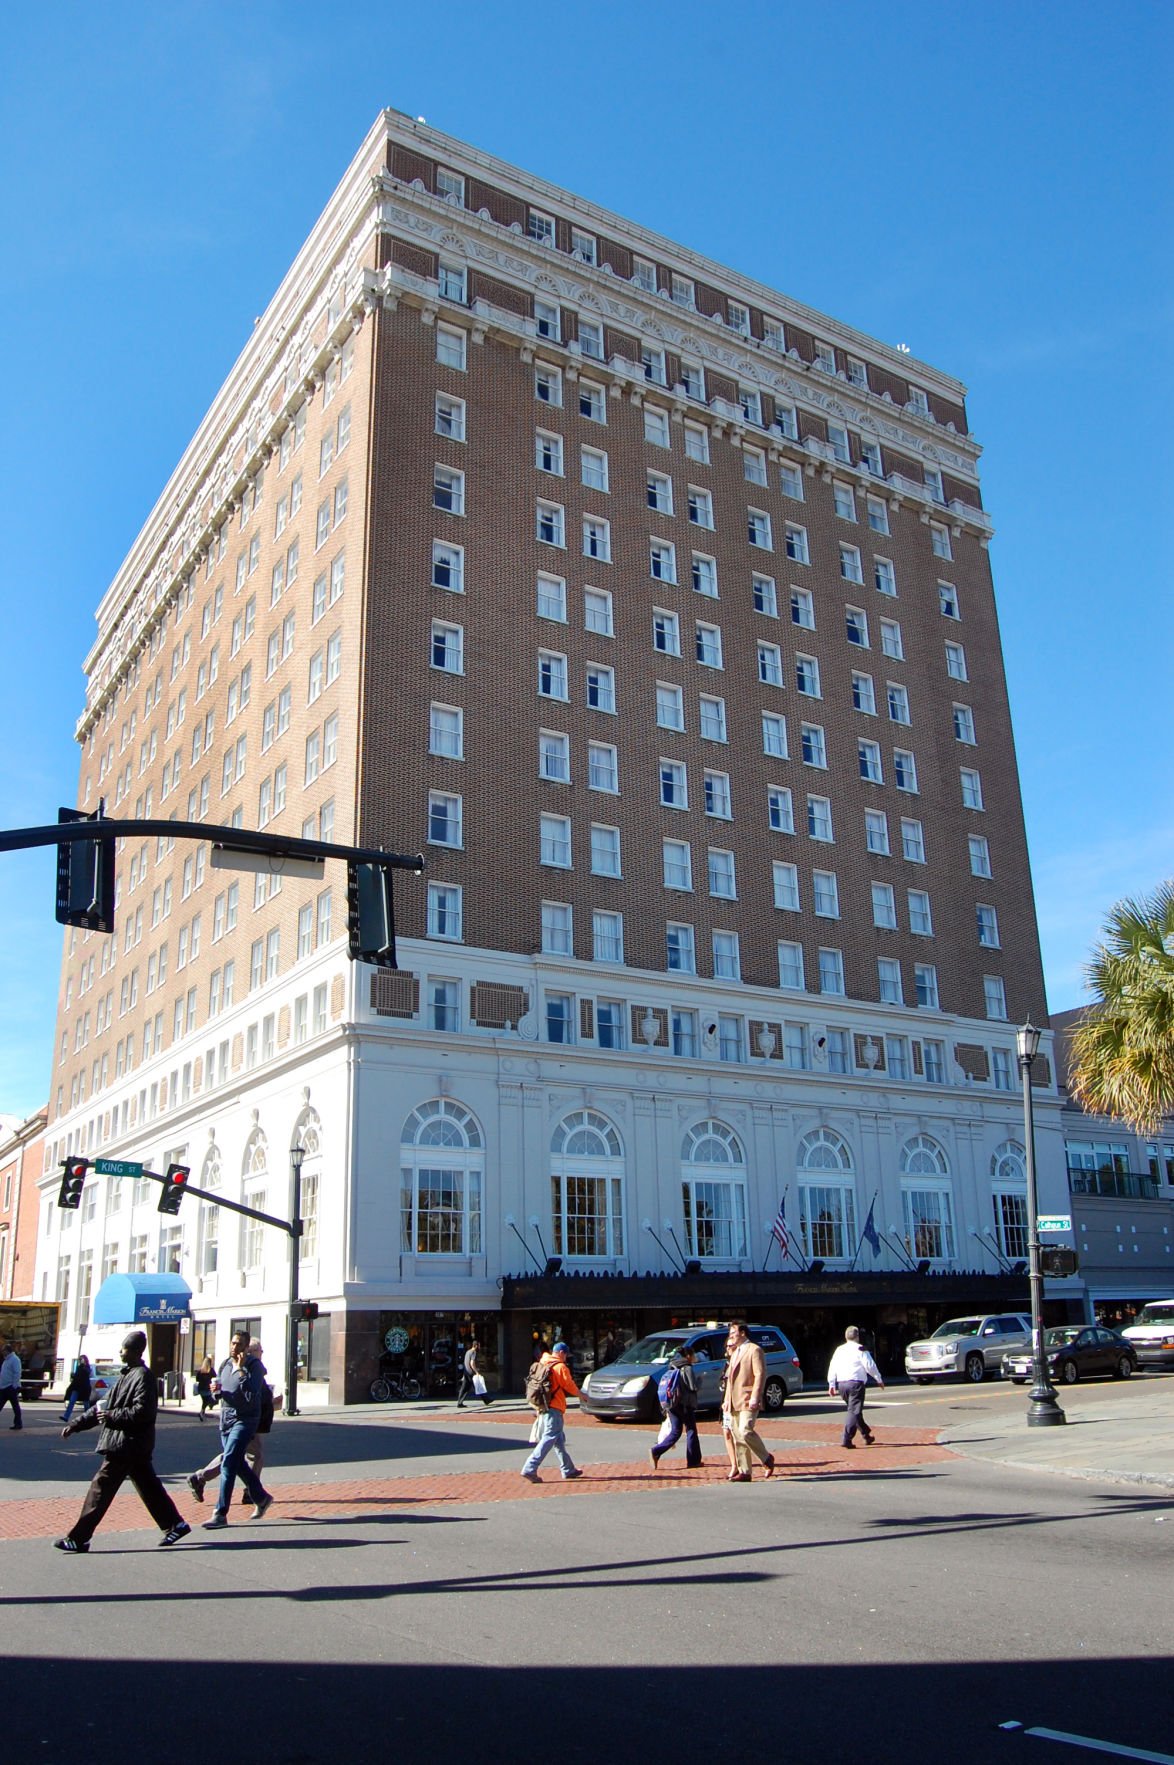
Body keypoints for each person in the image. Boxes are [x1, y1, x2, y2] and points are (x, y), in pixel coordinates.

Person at [53, 1330, 190, 1552]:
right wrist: (76, 1425)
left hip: (127, 1444)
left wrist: (112, 1417)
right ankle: (175, 1524)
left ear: (136, 1351)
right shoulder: (127, 1375)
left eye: (124, 1348)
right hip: (130, 1445)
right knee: (149, 1487)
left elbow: (142, 1412)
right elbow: (102, 1408)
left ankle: (79, 1538)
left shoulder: (143, 1377)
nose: (120, 1352)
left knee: (100, 1488)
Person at [201, 1329, 274, 1530]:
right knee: (237, 1462)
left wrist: (241, 1370)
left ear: (246, 1347)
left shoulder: (254, 1366)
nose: (235, 1347)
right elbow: (222, 1392)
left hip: (245, 1419)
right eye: (233, 1343)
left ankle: (220, 1512)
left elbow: (252, 1393)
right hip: (226, 1418)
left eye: (240, 1344)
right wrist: (216, 1393)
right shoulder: (224, 1364)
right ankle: (261, 1497)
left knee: (229, 1462)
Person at [520, 1342, 583, 1483]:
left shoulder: (543, 1361)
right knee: (549, 1438)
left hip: (544, 1406)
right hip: (554, 1408)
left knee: (559, 1440)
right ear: (561, 1353)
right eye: (566, 1354)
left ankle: (568, 1469)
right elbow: (569, 1386)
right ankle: (530, 1468)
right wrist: (582, 1395)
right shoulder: (560, 1367)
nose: (566, 1358)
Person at [724, 1321, 776, 1482]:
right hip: (734, 1400)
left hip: (747, 1398)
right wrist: (726, 1400)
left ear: (743, 1333)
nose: (731, 1337)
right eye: (730, 1334)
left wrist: (755, 1396)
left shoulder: (755, 1350)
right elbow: (730, 1380)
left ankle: (766, 1458)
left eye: (734, 1333)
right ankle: (745, 1471)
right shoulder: (735, 1352)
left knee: (746, 1430)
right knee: (738, 1435)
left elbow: (760, 1374)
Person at [827, 1325, 883, 1449]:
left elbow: (832, 1366)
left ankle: (866, 1434)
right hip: (856, 1384)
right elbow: (870, 1366)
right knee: (854, 1411)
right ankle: (846, 1438)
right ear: (857, 1336)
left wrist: (831, 1384)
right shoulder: (861, 1349)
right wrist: (878, 1379)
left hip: (842, 1384)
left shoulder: (839, 1349)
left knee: (854, 1410)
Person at [649, 1348, 702, 1471]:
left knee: (676, 1431)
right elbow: (693, 1387)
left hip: (672, 1403)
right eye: (694, 1354)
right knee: (691, 1430)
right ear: (688, 1356)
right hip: (685, 1404)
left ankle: (656, 1451)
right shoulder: (687, 1368)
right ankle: (694, 1460)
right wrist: (700, 1381)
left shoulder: (672, 1367)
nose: (695, 1357)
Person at [456, 1337, 490, 1408]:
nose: (480, 1347)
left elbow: (465, 1362)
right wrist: (476, 1372)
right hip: (471, 1373)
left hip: (466, 1372)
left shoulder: (468, 1352)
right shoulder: (473, 1352)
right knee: (478, 1386)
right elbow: (472, 1363)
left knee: (465, 1388)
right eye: (479, 1346)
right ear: (476, 1346)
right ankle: (486, 1400)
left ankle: (460, 1402)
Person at [61, 1355, 93, 1422]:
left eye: (81, 1359)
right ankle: (66, 1416)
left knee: (86, 1404)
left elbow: (88, 1373)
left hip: (84, 1388)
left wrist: (84, 1366)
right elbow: (76, 1377)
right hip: (77, 1387)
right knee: (72, 1401)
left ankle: (88, 1417)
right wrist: (73, 1376)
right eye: (80, 1359)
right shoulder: (79, 1367)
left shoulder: (87, 1367)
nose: (80, 1360)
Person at [0, 1342, 23, 1430]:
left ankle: (18, 1424)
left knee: (15, 1406)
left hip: (10, 1387)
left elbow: (17, 1373)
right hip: (3, 1387)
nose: (2, 1352)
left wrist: (14, 1386)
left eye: (3, 1350)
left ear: (8, 1351)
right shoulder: (6, 1360)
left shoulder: (14, 1359)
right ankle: (18, 1423)